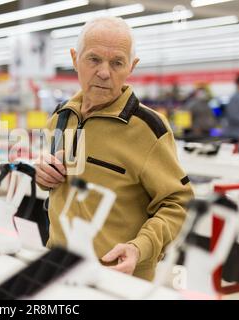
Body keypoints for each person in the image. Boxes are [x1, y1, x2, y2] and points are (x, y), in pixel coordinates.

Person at [35, 16, 194, 281]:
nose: (104, 72)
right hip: (59, 268)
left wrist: (139, 247)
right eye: (94, 59)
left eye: (117, 62)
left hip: (117, 277)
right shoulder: (60, 117)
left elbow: (178, 203)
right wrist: (44, 176)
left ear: (131, 66)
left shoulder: (148, 128)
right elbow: (56, 183)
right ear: (75, 58)